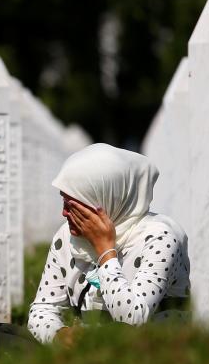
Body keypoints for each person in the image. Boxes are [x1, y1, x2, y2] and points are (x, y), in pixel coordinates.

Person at [27, 143, 190, 344]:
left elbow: (132, 320)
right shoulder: (67, 237)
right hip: (87, 353)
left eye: (75, 207)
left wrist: (105, 251)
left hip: (148, 353)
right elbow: (42, 309)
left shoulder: (161, 238)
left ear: (106, 200)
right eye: (64, 203)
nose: (64, 213)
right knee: (2, 336)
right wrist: (60, 336)